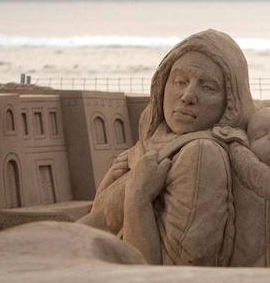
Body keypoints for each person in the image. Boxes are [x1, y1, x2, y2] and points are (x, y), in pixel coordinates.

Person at [79, 29, 255, 266]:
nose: (188, 96)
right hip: (75, 257)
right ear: (162, 85)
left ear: (230, 102)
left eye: (208, 87)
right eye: (180, 81)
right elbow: (101, 222)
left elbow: (176, 272)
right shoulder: (149, 146)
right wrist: (108, 188)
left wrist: (138, 197)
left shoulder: (201, 155)